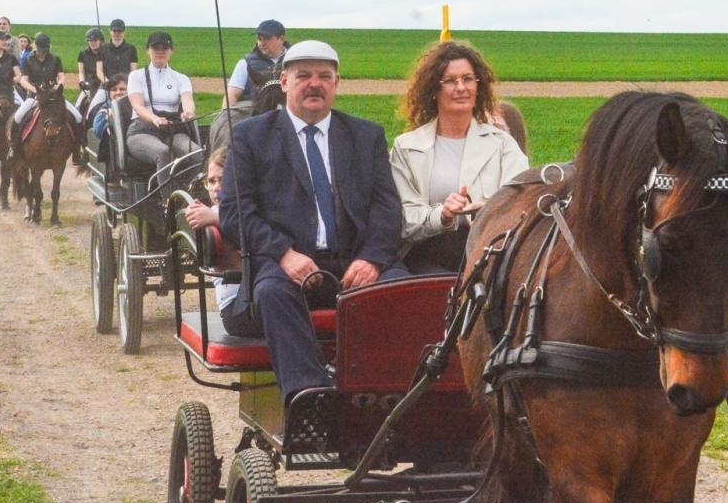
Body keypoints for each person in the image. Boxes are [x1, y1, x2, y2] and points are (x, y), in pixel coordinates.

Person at [219, 40, 407, 405]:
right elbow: (235, 212)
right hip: (284, 264)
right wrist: (284, 255)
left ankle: (386, 398)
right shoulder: (251, 137)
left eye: (324, 76)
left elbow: (387, 209)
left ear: (337, 83)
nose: (314, 84)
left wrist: (372, 260)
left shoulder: (366, 137)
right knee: (272, 293)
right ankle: (311, 398)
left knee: (404, 290)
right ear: (285, 82)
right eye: (303, 76)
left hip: (355, 261)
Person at [390, 40, 529, 275]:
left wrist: (489, 210)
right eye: (450, 81)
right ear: (433, 90)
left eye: (467, 79)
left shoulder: (503, 144)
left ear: (478, 86)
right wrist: (442, 215)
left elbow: (523, 201)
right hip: (427, 255)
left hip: (491, 251)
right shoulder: (406, 148)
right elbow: (403, 219)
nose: (461, 87)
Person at [183, 148, 249, 335]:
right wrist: (215, 217)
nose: (215, 187)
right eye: (211, 181)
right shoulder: (213, 214)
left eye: (223, 180)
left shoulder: (235, 211)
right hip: (238, 304)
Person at [208, 19, 290, 153]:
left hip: (290, 107)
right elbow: (232, 94)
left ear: (281, 39)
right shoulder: (245, 63)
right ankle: (220, 162)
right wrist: (226, 117)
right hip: (251, 108)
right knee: (226, 127)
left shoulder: (295, 62)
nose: (262, 43)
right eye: (259, 38)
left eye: (267, 38)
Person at [125, 31, 197, 172]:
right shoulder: (136, 76)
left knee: (196, 153)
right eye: (155, 48)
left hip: (172, 130)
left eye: (164, 48)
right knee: (163, 152)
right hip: (142, 130)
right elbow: (138, 106)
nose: (160, 52)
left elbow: (187, 100)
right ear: (147, 51)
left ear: (171, 51)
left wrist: (189, 112)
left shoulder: (181, 79)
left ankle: (194, 190)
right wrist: (155, 119)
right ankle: (168, 195)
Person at [12, 33, 87, 163]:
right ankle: (14, 148)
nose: (43, 52)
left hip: (53, 97)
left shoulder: (55, 59)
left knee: (77, 117)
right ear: (36, 46)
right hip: (34, 96)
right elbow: (24, 80)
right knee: (18, 117)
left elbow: (61, 76)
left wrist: (59, 86)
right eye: (41, 49)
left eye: (45, 49)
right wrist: (35, 90)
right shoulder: (28, 60)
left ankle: (77, 150)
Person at [90, 73, 129, 140]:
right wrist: (107, 119)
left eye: (122, 89)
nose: (118, 92)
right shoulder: (104, 111)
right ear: (109, 93)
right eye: (114, 90)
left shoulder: (138, 108)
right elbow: (97, 132)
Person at [76, 28, 106, 111]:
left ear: (101, 41)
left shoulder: (107, 52)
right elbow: (81, 72)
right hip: (90, 86)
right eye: (90, 40)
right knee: (78, 106)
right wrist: (82, 81)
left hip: (104, 84)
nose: (92, 43)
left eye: (95, 40)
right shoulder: (83, 54)